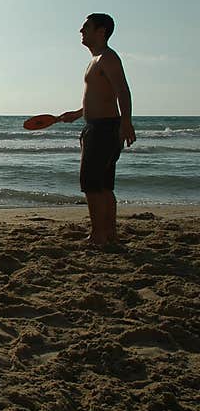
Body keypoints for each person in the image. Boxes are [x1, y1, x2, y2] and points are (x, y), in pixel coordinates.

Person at [58, 13, 137, 246]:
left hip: (103, 129)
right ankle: (109, 234)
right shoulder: (97, 59)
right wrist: (77, 113)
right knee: (103, 185)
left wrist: (127, 122)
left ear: (101, 31)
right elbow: (99, 97)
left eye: (86, 27)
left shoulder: (107, 58)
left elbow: (123, 91)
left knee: (92, 185)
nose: (81, 31)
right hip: (100, 126)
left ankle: (98, 236)